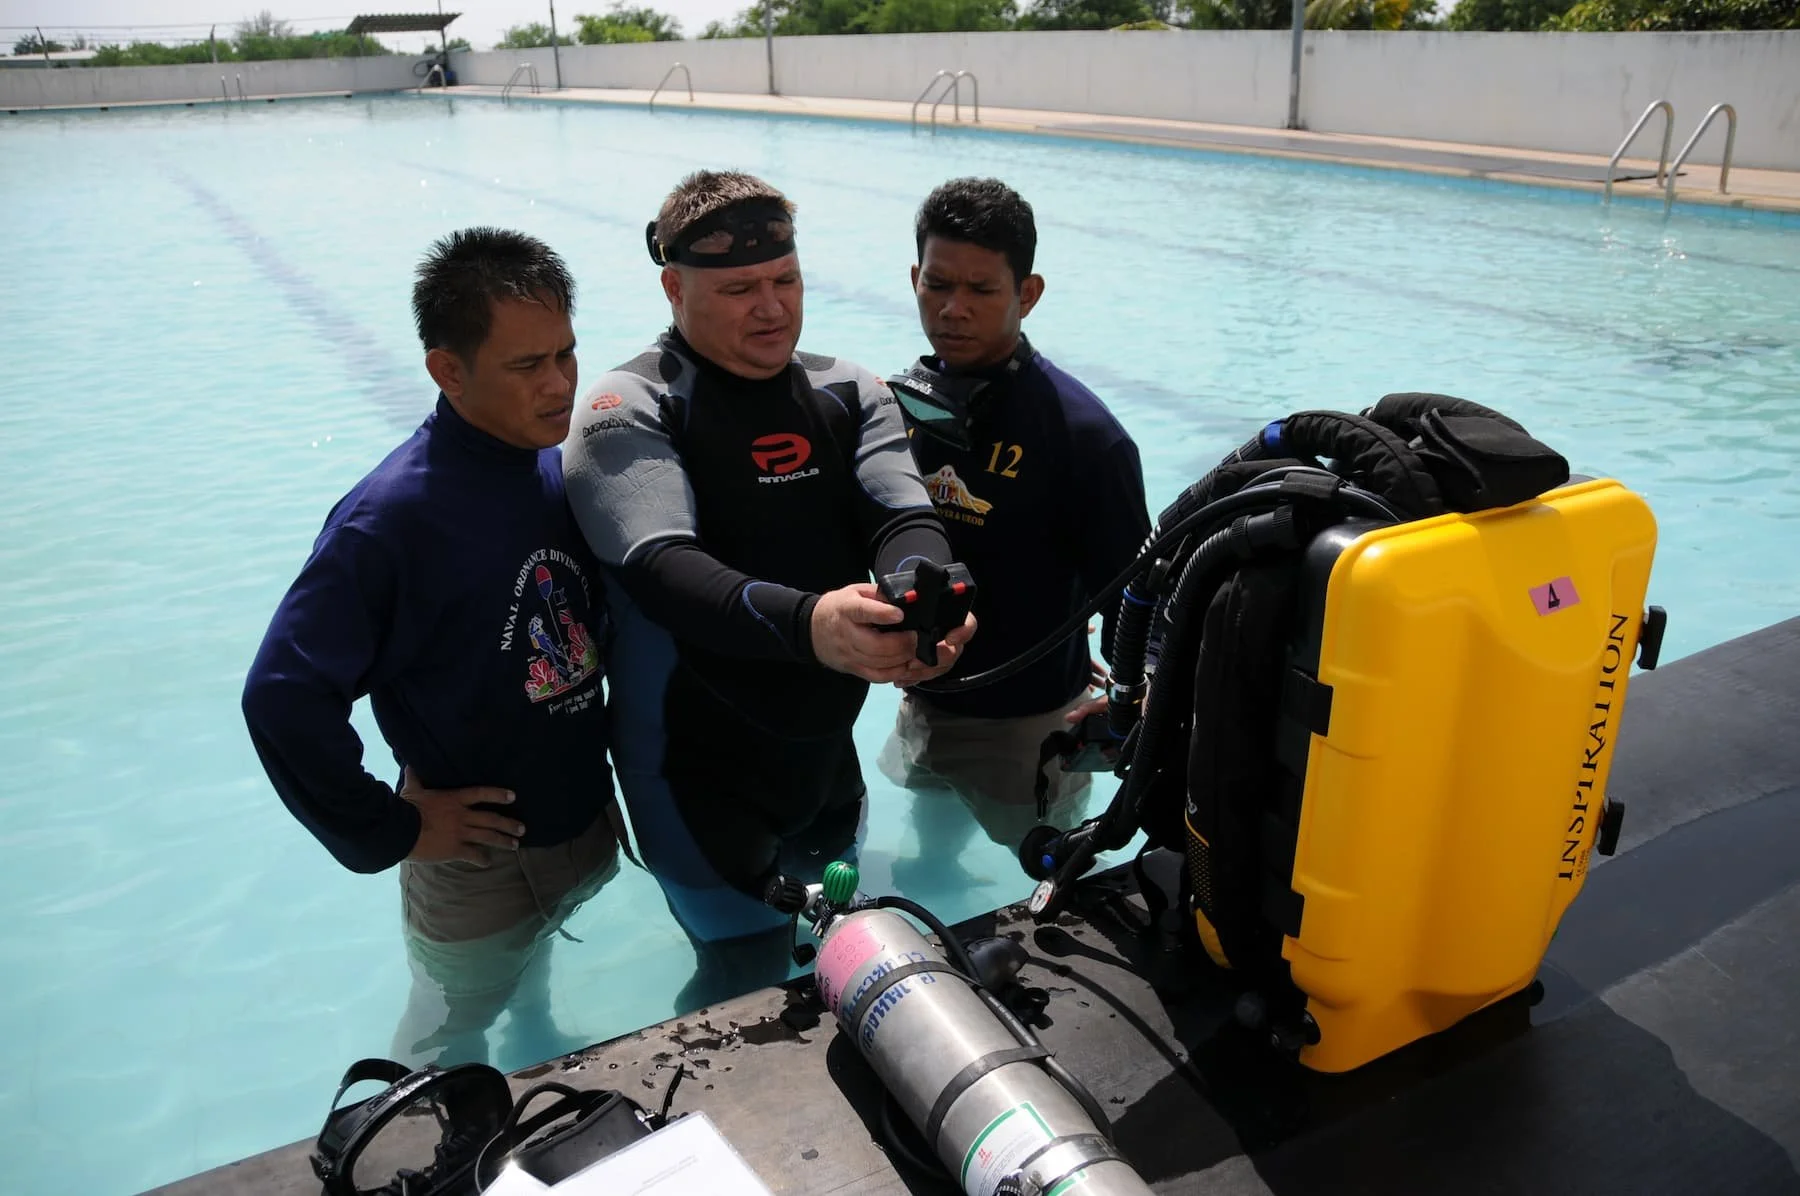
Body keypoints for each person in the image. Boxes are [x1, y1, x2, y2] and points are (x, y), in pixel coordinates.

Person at [561, 169, 974, 1011]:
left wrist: (931, 594)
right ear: (674, 287)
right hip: (696, 784)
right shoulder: (627, 405)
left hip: (824, 766)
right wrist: (814, 625)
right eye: (739, 288)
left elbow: (901, 515)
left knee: (844, 953)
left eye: (785, 281)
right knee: (740, 996)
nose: (772, 307)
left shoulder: (847, 389)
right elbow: (663, 569)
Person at [241, 227, 621, 1068]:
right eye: (528, 367)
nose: (561, 385)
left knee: (528, 981)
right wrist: (395, 829)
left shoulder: (544, 464)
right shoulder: (390, 524)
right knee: (447, 1032)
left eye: (566, 354)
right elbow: (281, 698)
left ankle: (536, 1042)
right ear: (449, 371)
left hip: (574, 819)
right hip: (475, 860)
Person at [878, 177, 1153, 878]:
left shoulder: (1086, 438)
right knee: (929, 846)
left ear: (1026, 294)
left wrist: (1131, 690)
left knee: (1057, 882)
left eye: (981, 290)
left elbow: (1143, 598)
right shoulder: (897, 407)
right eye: (937, 284)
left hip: (1028, 727)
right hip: (923, 700)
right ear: (914, 277)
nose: (953, 309)